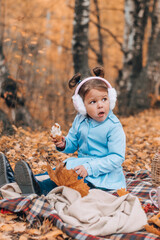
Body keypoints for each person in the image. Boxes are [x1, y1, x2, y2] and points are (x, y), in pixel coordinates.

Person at [0, 67, 126, 196]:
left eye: (104, 99)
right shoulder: (80, 119)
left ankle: (39, 189)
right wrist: (63, 143)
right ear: (82, 106)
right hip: (82, 166)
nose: (100, 105)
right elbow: (73, 142)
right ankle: (14, 182)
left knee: (66, 178)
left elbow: (117, 157)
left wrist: (90, 168)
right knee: (57, 172)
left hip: (104, 177)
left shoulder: (113, 126)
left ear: (111, 98)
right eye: (93, 102)